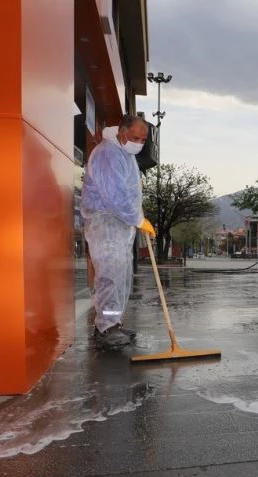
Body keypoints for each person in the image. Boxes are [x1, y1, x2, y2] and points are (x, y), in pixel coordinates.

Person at [81, 115, 155, 347]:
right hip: (107, 223)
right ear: (122, 132)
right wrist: (138, 218)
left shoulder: (125, 154)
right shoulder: (108, 154)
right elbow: (115, 195)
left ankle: (113, 324)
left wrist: (137, 218)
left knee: (121, 277)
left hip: (120, 224)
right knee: (110, 276)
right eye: (135, 137)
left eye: (143, 139)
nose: (139, 143)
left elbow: (129, 193)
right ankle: (105, 328)